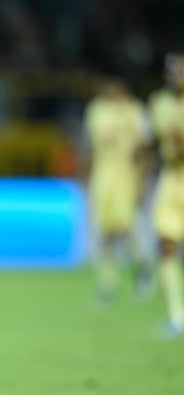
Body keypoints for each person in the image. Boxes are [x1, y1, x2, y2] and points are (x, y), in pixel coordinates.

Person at [83, 75, 152, 303]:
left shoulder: (136, 111)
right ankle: (107, 284)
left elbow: (144, 150)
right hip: (103, 178)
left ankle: (143, 266)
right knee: (105, 233)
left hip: (126, 177)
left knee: (128, 228)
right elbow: (92, 146)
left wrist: (141, 181)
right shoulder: (96, 110)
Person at [148, 53, 184, 336]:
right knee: (166, 245)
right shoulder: (159, 104)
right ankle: (175, 316)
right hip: (172, 178)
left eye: (180, 71)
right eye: (171, 71)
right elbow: (157, 143)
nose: (175, 76)